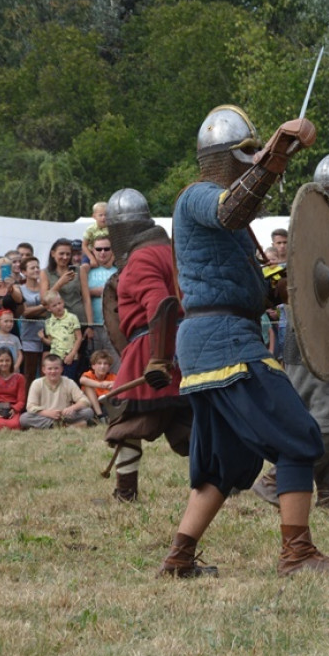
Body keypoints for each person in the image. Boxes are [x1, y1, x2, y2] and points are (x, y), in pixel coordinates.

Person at [160, 105, 329, 578]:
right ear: (225, 157)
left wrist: (276, 289)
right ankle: (297, 554)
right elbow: (231, 209)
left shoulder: (227, 223)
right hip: (225, 341)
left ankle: (178, 559)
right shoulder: (198, 198)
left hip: (213, 339)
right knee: (299, 437)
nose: (252, 161)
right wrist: (278, 153)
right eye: (246, 154)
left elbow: (235, 275)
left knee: (223, 465)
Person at [251, 153, 329, 511]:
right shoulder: (320, 233)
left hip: (310, 337)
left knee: (312, 417)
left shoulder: (321, 233)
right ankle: (276, 481)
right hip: (320, 336)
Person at [102, 187, 193, 503]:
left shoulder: (139, 259)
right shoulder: (171, 250)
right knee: (187, 423)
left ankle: (126, 491)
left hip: (152, 351)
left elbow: (160, 305)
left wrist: (159, 357)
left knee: (126, 423)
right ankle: (218, 481)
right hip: (185, 350)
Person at [19, 353, 95, 429]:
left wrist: (72, 408)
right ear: (44, 369)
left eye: (56, 368)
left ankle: (54, 426)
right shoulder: (37, 383)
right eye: (50, 369)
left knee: (88, 412)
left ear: (61, 369)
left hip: (65, 415)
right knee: (24, 418)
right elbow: (30, 406)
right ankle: (65, 426)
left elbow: (84, 401)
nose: (53, 371)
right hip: (45, 415)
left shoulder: (68, 382)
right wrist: (48, 413)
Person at [81, 235, 119, 371]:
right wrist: (92, 292)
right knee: (94, 366)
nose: (102, 252)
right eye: (99, 249)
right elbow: (78, 293)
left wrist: (108, 292)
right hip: (92, 326)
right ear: (92, 251)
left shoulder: (119, 270)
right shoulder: (86, 270)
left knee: (115, 365)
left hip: (114, 325)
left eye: (106, 249)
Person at [39, 290, 83, 382]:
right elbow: (51, 342)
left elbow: (79, 338)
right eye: (54, 305)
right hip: (55, 358)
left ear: (63, 302)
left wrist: (72, 354)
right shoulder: (48, 322)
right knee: (55, 381)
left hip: (69, 358)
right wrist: (43, 338)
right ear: (49, 308)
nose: (58, 307)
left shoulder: (72, 318)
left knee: (68, 382)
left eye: (59, 303)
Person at [18, 256, 46, 389]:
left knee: (45, 372)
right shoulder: (20, 289)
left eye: (37, 267)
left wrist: (35, 310)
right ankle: (26, 404)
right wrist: (44, 307)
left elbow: (52, 309)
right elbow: (25, 312)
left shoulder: (44, 286)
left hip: (47, 334)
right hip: (29, 335)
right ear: (24, 271)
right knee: (29, 372)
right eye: (32, 268)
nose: (36, 270)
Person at [0, 348, 26, 430]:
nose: (4, 363)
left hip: (12, 409)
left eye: (7, 360)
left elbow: (21, 400)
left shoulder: (19, 378)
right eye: (1, 361)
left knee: (14, 425)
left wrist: (14, 409)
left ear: (12, 361)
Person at [79, 349, 116, 422]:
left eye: (105, 364)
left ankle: (105, 417)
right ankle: (100, 416)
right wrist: (101, 384)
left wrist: (112, 384)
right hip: (91, 406)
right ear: (93, 366)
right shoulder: (89, 374)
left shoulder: (113, 377)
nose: (102, 366)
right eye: (99, 363)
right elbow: (82, 380)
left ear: (109, 366)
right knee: (87, 386)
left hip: (106, 405)